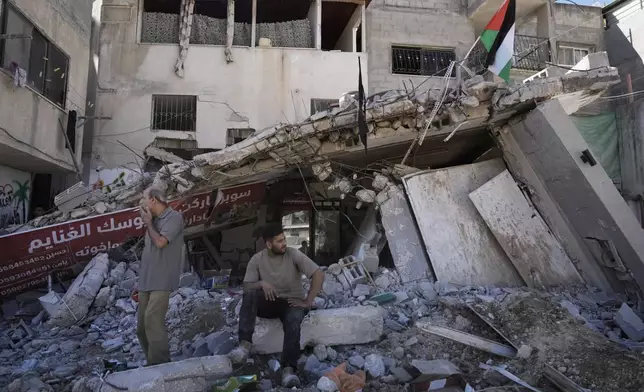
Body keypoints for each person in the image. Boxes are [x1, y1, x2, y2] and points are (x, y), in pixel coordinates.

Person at [229, 223, 324, 387]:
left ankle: (288, 370)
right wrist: (261, 284)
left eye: (284, 239)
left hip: (291, 302)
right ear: (268, 244)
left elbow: (318, 274)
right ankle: (244, 345)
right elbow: (246, 287)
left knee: (294, 318)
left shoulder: (293, 254)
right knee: (251, 293)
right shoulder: (257, 259)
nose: (284, 243)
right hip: (269, 302)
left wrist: (308, 301)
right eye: (279, 241)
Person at [132, 187, 185, 366]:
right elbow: (149, 253)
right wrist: (139, 282)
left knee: (153, 321)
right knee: (141, 328)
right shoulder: (153, 220)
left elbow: (161, 243)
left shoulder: (174, 218)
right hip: (147, 280)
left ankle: (160, 363)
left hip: (162, 279)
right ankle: (152, 361)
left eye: (144, 199)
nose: (142, 203)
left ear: (153, 200)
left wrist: (148, 223)